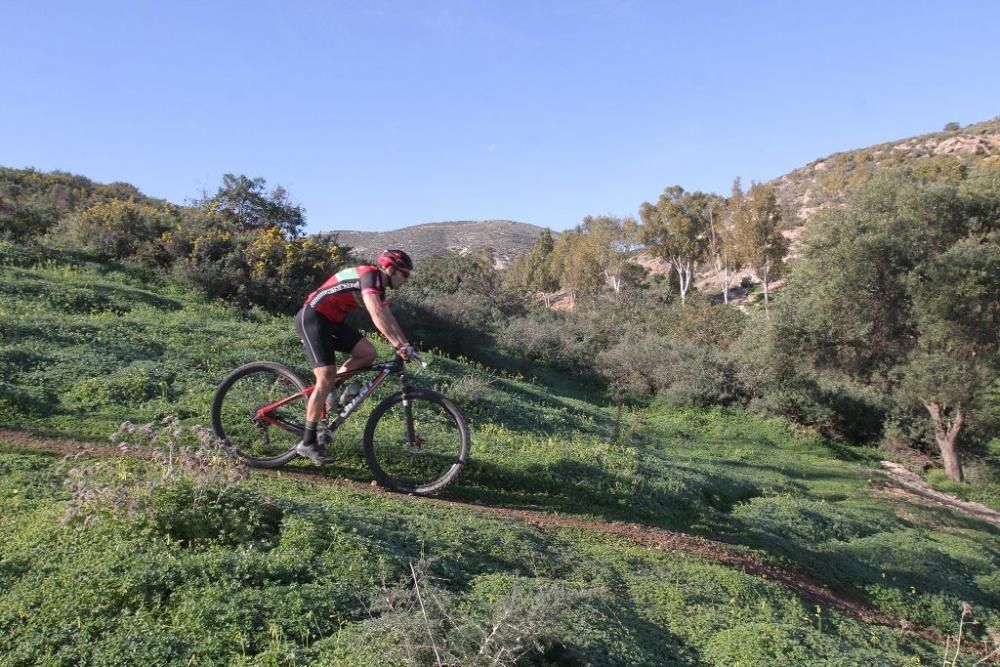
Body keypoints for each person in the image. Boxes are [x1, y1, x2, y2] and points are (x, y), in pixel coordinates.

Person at [293, 249, 416, 464]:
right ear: (390, 268)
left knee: (367, 353)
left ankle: (330, 394)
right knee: (325, 376)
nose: (406, 280)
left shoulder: (378, 286)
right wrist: (397, 345)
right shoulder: (369, 276)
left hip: (331, 322)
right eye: (404, 275)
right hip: (312, 317)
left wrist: (405, 344)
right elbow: (376, 313)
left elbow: (388, 316)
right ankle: (307, 442)